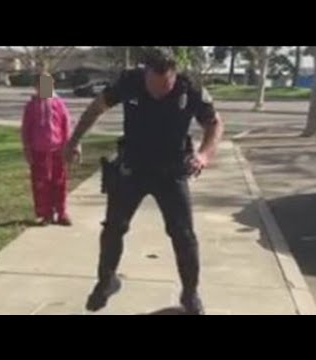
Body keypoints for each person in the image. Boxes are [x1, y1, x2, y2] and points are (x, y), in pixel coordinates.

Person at [63, 47, 224, 314]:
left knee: (184, 235)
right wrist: (74, 141)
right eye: (154, 85)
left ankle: (190, 293)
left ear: (174, 75)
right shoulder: (129, 81)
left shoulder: (190, 87)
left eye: (166, 86)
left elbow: (215, 123)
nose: (159, 92)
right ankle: (106, 281)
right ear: (145, 72)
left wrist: (204, 155)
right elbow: (96, 108)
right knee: (114, 227)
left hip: (171, 170)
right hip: (133, 168)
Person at [22, 72, 80, 226]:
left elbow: (67, 126)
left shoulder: (59, 103)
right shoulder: (31, 106)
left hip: (58, 151)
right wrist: (27, 149)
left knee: (59, 182)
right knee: (41, 183)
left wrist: (73, 146)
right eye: (42, 85)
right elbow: (26, 129)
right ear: (36, 87)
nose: (46, 88)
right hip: (38, 151)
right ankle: (45, 213)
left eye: (49, 84)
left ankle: (61, 213)